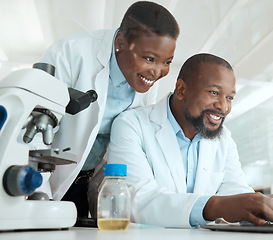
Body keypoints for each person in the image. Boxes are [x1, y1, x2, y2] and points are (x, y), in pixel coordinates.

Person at [107, 53, 273, 228]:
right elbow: (138, 200)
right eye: (214, 92)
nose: (223, 106)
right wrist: (214, 206)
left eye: (229, 97)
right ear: (181, 90)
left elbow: (235, 190)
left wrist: (263, 206)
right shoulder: (131, 124)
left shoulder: (223, 138)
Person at [39, 1, 180, 217]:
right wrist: (39, 194)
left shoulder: (146, 79)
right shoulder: (71, 53)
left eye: (167, 61)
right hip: (46, 178)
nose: (157, 71)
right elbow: (36, 133)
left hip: (88, 184)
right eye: (149, 59)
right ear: (121, 42)